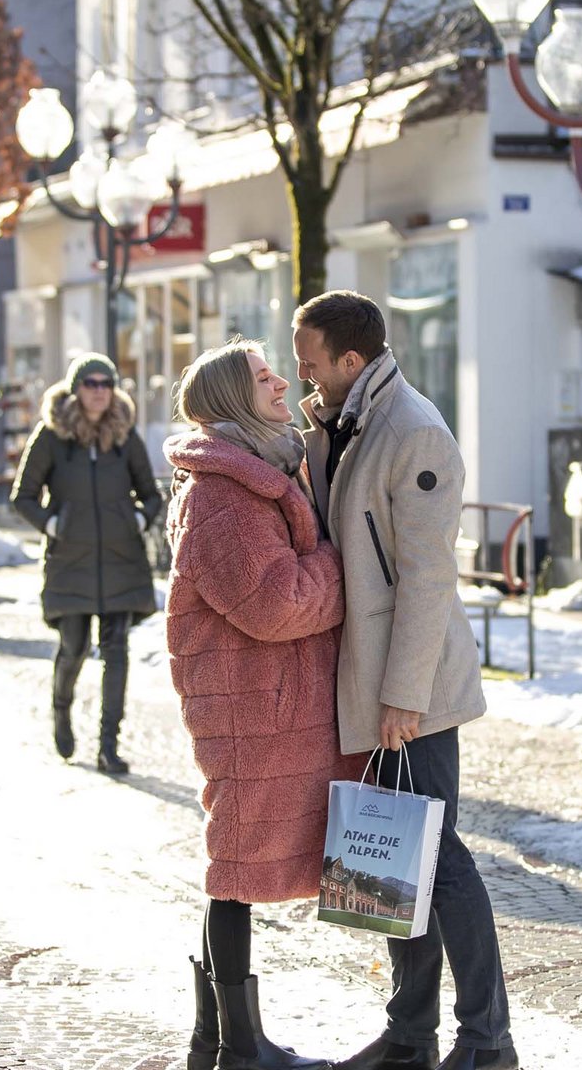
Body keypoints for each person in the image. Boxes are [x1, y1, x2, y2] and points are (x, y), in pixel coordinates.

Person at [293, 292, 519, 1070]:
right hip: (376, 680)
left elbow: (426, 581)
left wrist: (404, 698)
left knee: (439, 857)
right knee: (395, 861)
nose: (302, 375)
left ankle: (489, 1042)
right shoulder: (348, 422)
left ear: (351, 363)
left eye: (311, 362)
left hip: (410, 689)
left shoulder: (412, 430)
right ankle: (410, 1036)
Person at [164, 340, 353, 1070]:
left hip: (265, 699)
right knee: (235, 868)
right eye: (262, 375)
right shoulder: (220, 493)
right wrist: (347, 567)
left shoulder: (261, 471)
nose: (280, 380)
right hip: (247, 707)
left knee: (236, 866)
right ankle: (237, 1045)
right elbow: (275, 604)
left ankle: (217, 1040)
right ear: (232, 402)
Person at [11, 353, 161, 774]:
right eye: (90, 383)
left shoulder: (124, 435)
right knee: (74, 647)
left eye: (105, 383)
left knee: (116, 651)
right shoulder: (52, 436)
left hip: (121, 560)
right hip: (70, 560)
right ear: (75, 388)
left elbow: (151, 494)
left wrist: (136, 517)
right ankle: (61, 709)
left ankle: (108, 746)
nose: (98, 390)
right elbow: (22, 496)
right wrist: (54, 524)